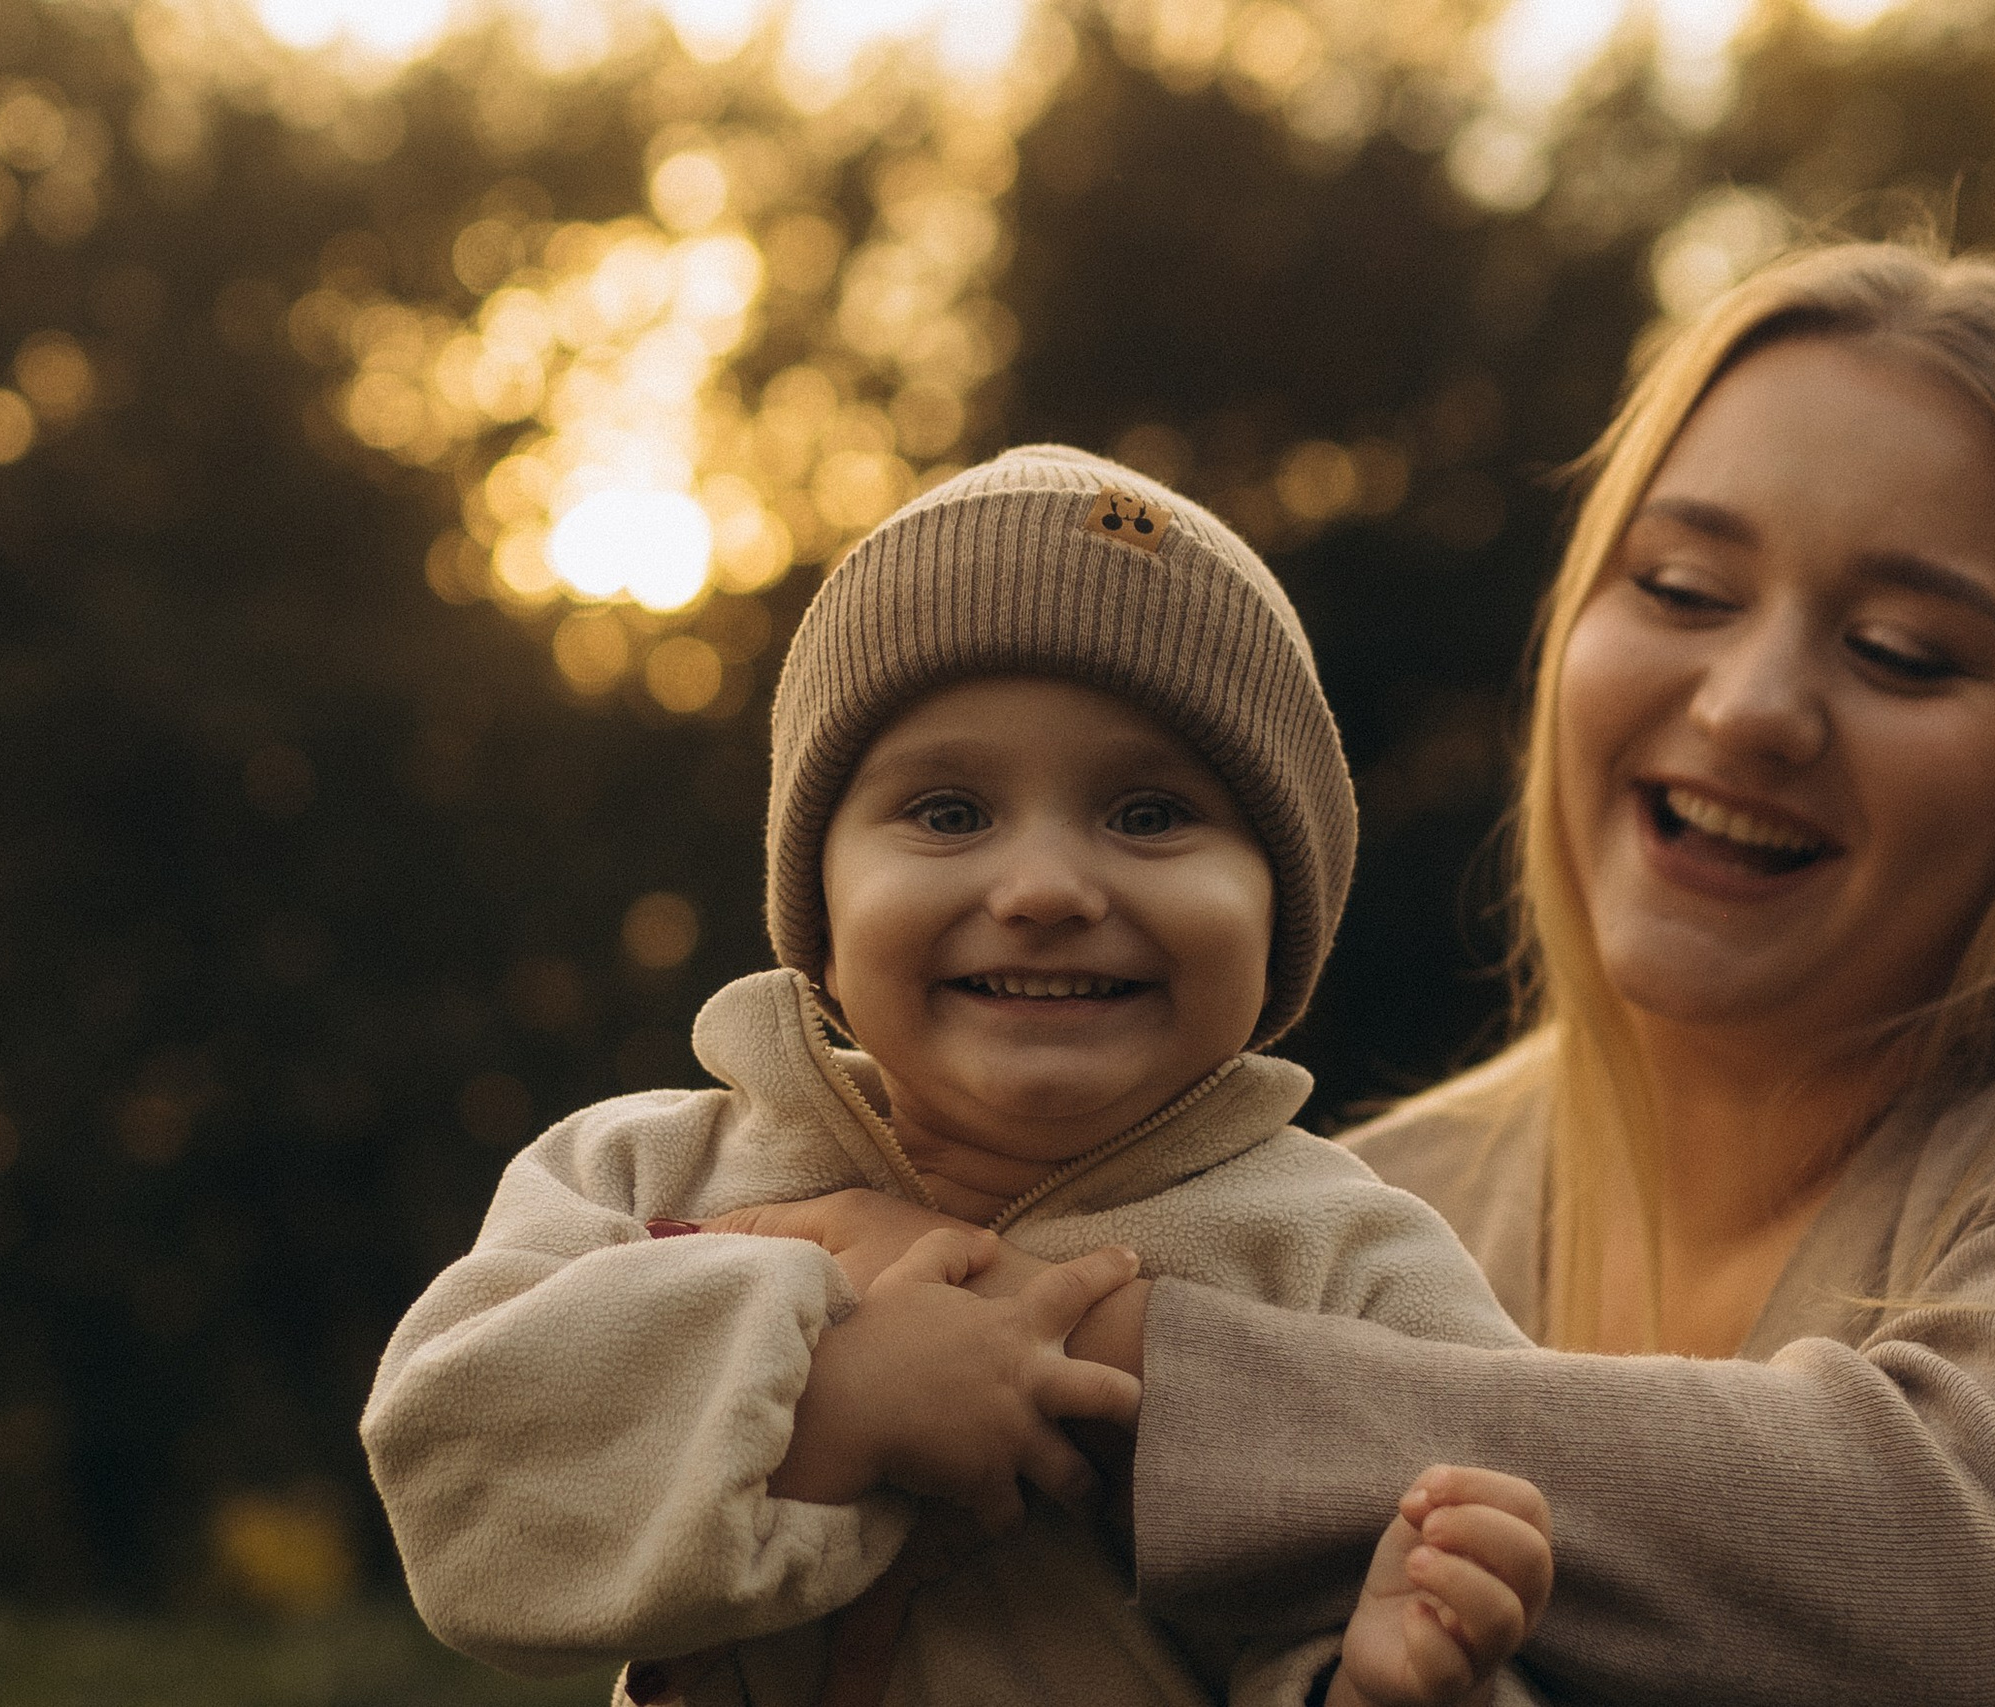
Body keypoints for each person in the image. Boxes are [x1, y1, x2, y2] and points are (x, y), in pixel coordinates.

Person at [708, 244, 1995, 1704]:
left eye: (1902, 651)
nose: (1748, 705)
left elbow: (1967, 1565)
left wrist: (1062, 1334)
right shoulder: (1389, 1193)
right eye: (1681, 587)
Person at [361, 445, 1556, 1707]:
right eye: (947, 813)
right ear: (819, 910)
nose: (1042, 890)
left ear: (1283, 919)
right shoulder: (636, 1172)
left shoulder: (1351, 1260)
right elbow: (463, 1501)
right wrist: (829, 1400)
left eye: (1149, 814)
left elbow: (1521, 1558)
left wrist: (1386, 1679)